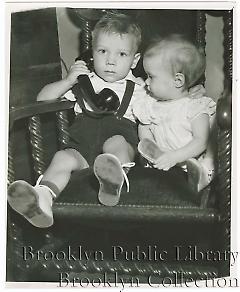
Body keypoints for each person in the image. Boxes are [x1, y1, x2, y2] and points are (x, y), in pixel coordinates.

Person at [8, 14, 205, 228]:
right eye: (103, 51)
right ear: (92, 54)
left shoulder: (141, 88)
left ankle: (113, 180)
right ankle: (42, 199)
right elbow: (42, 98)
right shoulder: (84, 83)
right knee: (61, 158)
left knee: (116, 143)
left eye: (121, 54)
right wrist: (68, 81)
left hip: (117, 145)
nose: (111, 61)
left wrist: (190, 91)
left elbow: (169, 99)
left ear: (135, 60)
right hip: (81, 149)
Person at [133, 34, 216, 193]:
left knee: (210, 154)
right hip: (163, 163)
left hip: (191, 160)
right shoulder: (151, 103)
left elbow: (201, 141)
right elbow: (144, 126)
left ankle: (205, 174)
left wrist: (174, 157)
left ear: (177, 81)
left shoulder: (195, 106)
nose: (147, 82)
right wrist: (149, 146)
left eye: (151, 76)